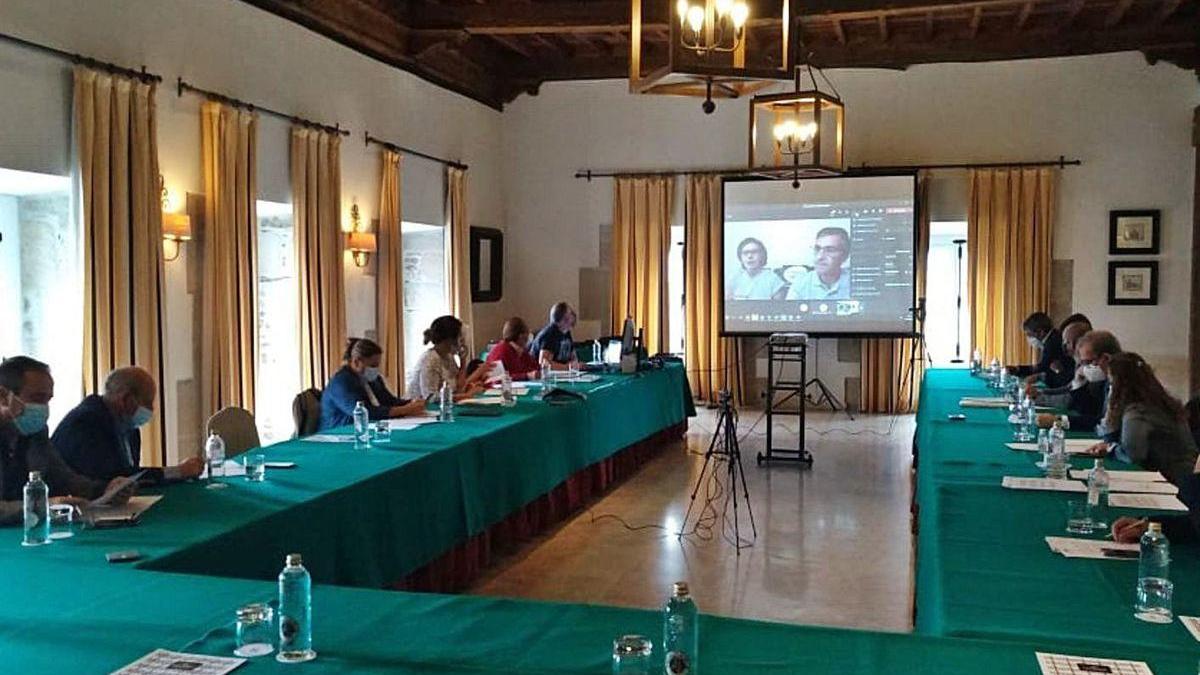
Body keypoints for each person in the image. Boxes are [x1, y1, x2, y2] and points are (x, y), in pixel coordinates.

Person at [0, 356, 131, 525]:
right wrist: (43, 506)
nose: (44, 408)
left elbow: (63, 477)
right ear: (4, 397)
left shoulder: (36, 432)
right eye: (37, 398)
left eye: (48, 400)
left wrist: (106, 490)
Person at [53, 366, 204, 484]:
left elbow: (133, 475)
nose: (151, 410)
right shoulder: (86, 423)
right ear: (126, 399)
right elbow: (114, 478)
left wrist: (178, 473)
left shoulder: (128, 426)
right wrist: (177, 472)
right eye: (147, 402)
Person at [1085, 352, 1198, 491]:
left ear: (1120, 386)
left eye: (1112, 384)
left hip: (1174, 482)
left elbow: (1133, 455)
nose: (1110, 389)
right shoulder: (1157, 401)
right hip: (1181, 477)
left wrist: (1110, 447)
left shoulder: (1138, 411)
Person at [320, 338, 426, 431]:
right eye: (372, 365)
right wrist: (406, 410)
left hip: (370, 428)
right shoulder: (341, 382)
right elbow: (364, 412)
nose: (375, 369)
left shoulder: (373, 378)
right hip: (341, 432)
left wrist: (411, 403)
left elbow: (389, 401)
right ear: (356, 362)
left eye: (377, 365)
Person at [1031, 320, 1105, 431]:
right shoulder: (1080, 364)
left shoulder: (1100, 375)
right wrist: (1040, 394)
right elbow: (1069, 389)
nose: (1064, 347)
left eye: (1068, 342)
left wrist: (1058, 420)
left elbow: (1091, 414)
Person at [406, 316, 488, 401]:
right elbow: (430, 397)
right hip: (420, 411)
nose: (462, 343)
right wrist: (467, 395)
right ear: (449, 340)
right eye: (460, 338)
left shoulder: (448, 356)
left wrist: (463, 363)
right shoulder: (430, 360)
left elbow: (458, 388)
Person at [1009, 312, 1072, 388]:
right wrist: (1018, 369)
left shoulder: (1052, 342)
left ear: (1041, 332)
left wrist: (1019, 370)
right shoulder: (1053, 337)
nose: (1029, 338)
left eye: (1029, 334)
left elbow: (1042, 368)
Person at [785, 227, 851, 300]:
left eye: (830, 250)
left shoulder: (856, 283)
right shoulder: (800, 283)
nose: (819, 257)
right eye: (817, 249)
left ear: (845, 256)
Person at [530, 302, 581, 371]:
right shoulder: (549, 335)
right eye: (570, 313)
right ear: (563, 319)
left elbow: (573, 357)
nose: (573, 316)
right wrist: (568, 367)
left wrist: (576, 364)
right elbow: (544, 363)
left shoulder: (566, 332)